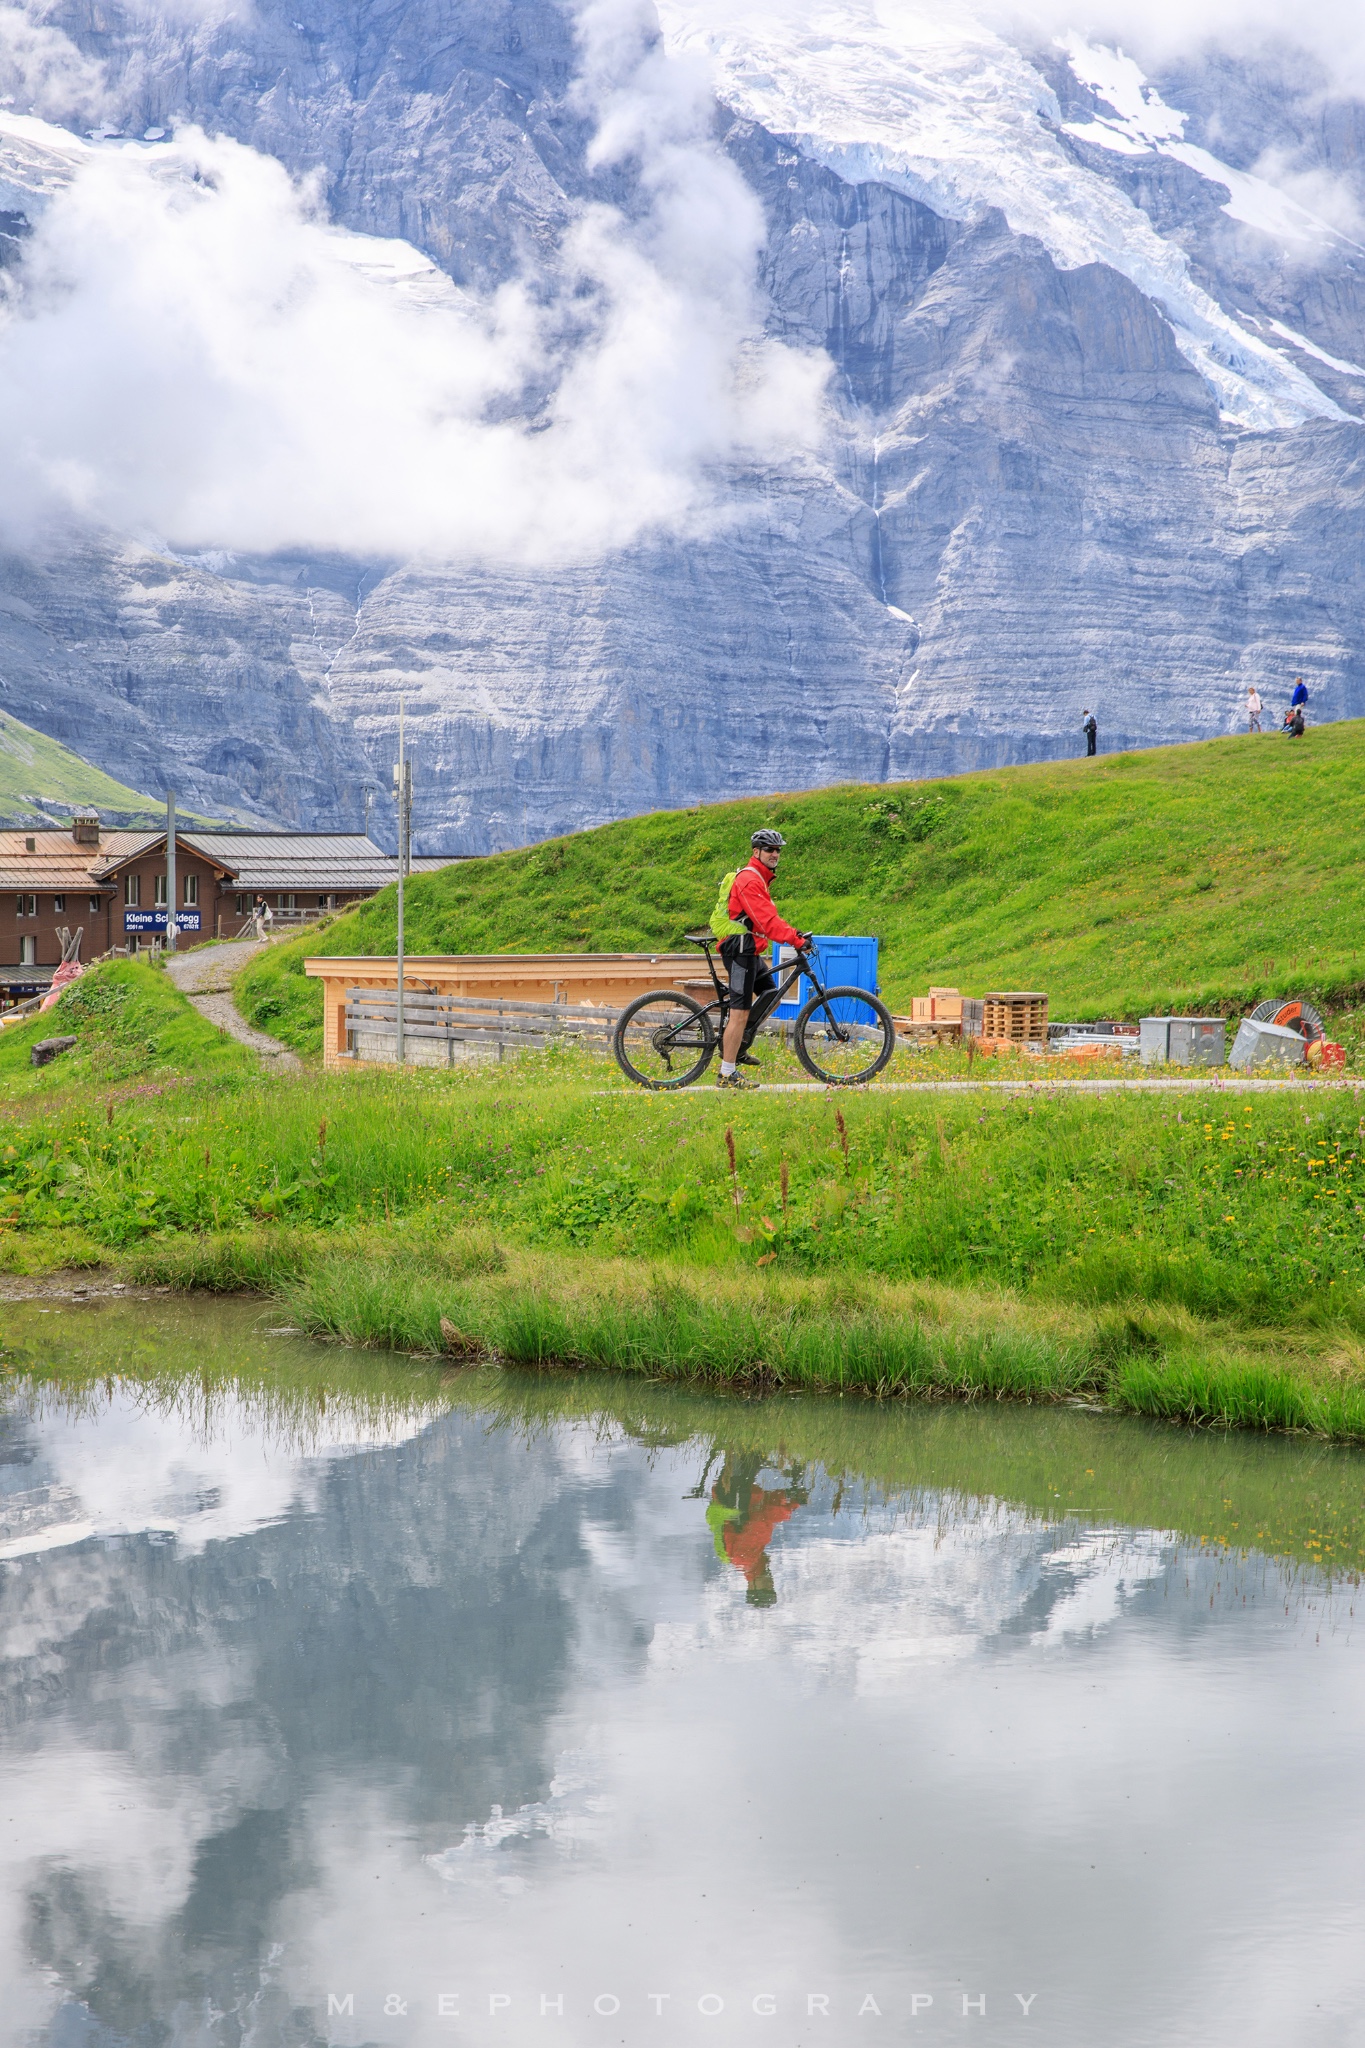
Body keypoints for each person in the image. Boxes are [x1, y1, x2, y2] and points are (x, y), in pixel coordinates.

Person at [711, 829, 810, 1090]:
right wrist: (796, 939)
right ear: (757, 852)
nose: (775, 854)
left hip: (750, 948)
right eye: (769, 849)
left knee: (770, 993)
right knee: (739, 1012)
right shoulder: (750, 880)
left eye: (778, 850)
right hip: (740, 950)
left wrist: (793, 935)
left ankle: (738, 1045)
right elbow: (767, 921)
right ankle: (727, 1073)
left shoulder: (760, 879)